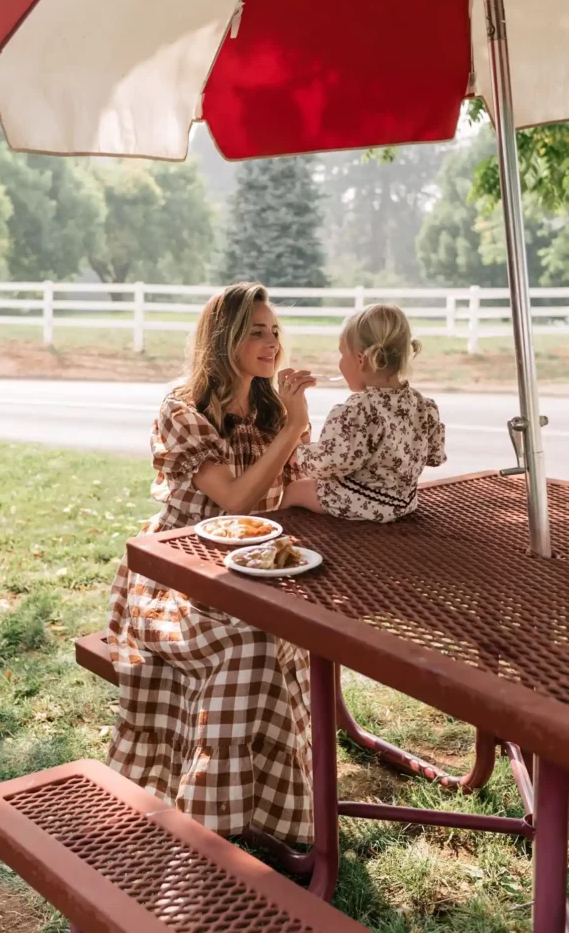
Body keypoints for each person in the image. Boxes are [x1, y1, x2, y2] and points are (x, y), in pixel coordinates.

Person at [107, 282, 316, 844]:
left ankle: (270, 817)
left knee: (289, 631)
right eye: (256, 331)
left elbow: (300, 491)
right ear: (225, 339)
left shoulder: (273, 408)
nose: (272, 343)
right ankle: (212, 829)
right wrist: (294, 429)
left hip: (257, 570)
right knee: (251, 642)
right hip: (172, 572)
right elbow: (235, 500)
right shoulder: (183, 409)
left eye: (275, 331)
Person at [282, 304, 446, 521]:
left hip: (363, 503)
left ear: (361, 360)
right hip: (403, 502)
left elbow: (330, 464)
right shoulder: (424, 406)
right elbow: (434, 456)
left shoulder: (357, 411)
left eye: (342, 354)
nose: (340, 363)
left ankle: (280, 539)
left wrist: (299, 455)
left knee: (295, 489)